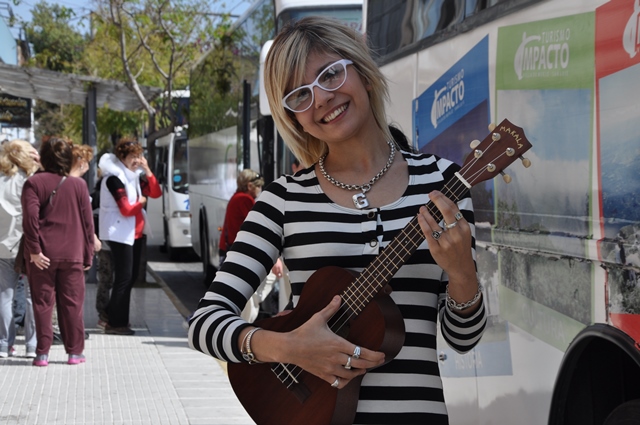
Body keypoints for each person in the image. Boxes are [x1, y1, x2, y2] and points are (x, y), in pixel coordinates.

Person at [188, 16, 486, 424]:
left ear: (361, 72)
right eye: (300, 96)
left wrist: (462, 273)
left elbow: (462, 338)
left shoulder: (443, 185)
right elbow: (204, 322)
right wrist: (288, 347)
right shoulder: (283, 199)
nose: (322, 99)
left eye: (330, 74)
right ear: (292, 117)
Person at [21, 137, 94, 366]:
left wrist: (34, 249)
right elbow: (87, 223)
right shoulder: (79, 185)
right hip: (72, 253)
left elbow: (30, 217)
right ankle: (74, 353)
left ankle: (42, 353)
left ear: (43, 157)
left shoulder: (33, 183)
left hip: (42, 255)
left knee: (42, 304)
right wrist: (88, 253)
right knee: (72, 304)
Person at [98, 138, 161, 335]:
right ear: (121, 158)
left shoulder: (134, 176)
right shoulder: (114, 178)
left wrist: (148, 170)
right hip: (120, 233)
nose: (137, 160)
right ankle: (117, 323)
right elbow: (126, 209)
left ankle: (110, 315)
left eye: (139, 156)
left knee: (130, 276)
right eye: (132, 157)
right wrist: (141, 203)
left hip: (135, 234)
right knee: (123, 278)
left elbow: (156, 192)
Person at [219, 169, 283, 322]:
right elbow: (257, 230)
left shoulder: (235, 198)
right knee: (252, 295)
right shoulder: (245, 200)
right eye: (258, 186)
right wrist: (274, 259)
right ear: (249, 186)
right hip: (244, 257)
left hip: (231, 252)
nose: (260, 190)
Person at [0, 139, 40, 359]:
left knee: (4, 297)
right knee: (33, 296)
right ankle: (33, 346)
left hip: (2, 245)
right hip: (28, 246)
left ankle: (4, 344)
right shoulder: (31, 180)